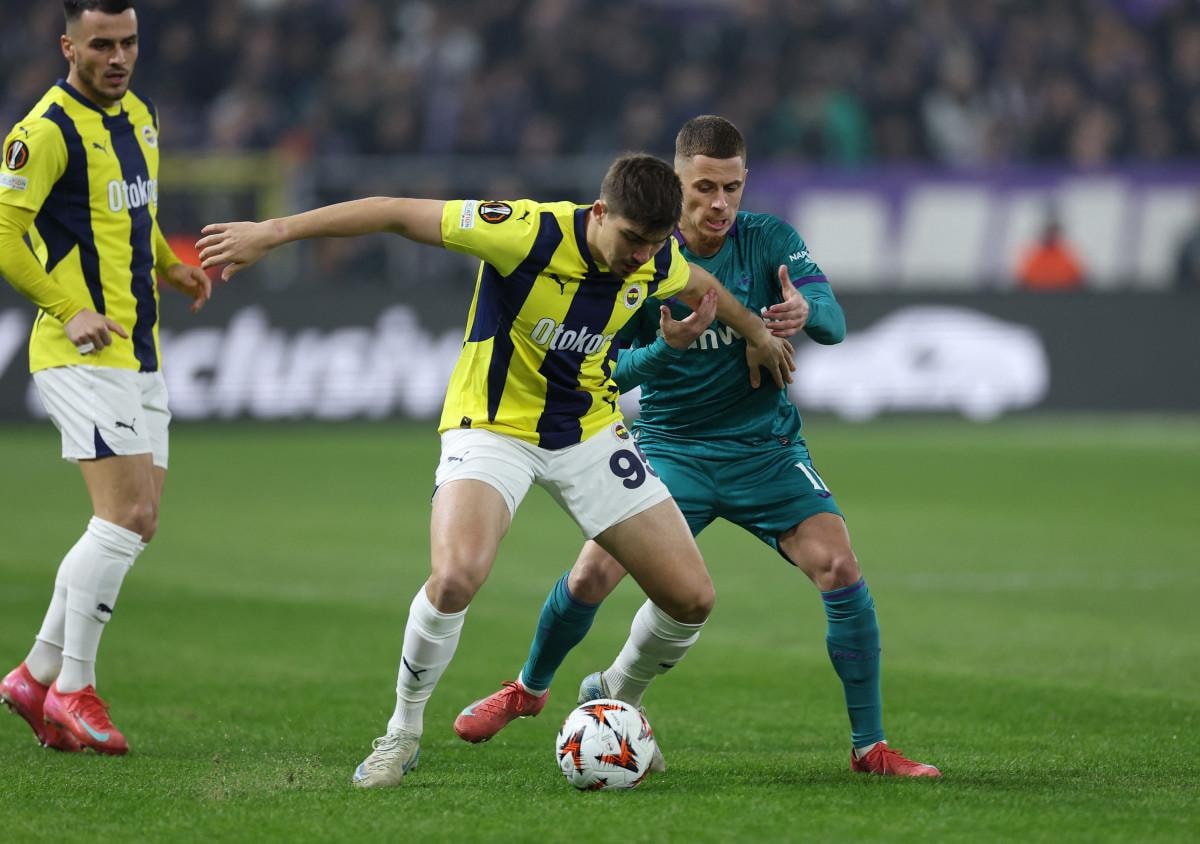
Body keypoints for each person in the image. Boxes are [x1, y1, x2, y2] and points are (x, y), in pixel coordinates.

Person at [195, 152, 796, 788]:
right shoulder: (523, 231)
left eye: (653, 244)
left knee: (692, 598)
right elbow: (394, 212)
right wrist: (274, 231)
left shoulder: (657, 259)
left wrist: (756, 332)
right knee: (456, 577)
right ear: (599, 212)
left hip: (588, 429)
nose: (642, 257)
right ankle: (402, 733)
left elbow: (699, 285)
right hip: (492, 426)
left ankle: (616, 695)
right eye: (631, 240)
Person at [453, 115, 941, 778]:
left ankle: (869, 748)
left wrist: (805, 312)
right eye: (705, 187)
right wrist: (665, 347)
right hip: (670, 447)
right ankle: (527, 690)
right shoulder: (640, 258)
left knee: (840, 567)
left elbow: (833, 321)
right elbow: (607, 372)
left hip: (765, 448)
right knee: (592, 575)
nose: (720, 203)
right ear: (675, 182)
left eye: (732, 188)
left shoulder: (770, 240)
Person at [0, 0, 211, 756]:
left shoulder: (140, 118)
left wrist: (168, 267)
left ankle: (34, 676)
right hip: (78, 352)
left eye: (128, 42)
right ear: (68, 46)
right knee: (124, 515)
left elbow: (132, 213)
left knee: (137, 521)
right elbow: (5, 236)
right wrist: (69, 307)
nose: (117, 57)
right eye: (100, 45)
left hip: (139, 351)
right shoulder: (44, 132)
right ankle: (73, 688)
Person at [1016, 208, 1085, 291]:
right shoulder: (1033, 256)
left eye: (1053, 232)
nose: (1050, 235)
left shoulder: (1067, 255)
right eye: (1048, 232)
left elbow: (1077, 279)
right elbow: (1025, 281)